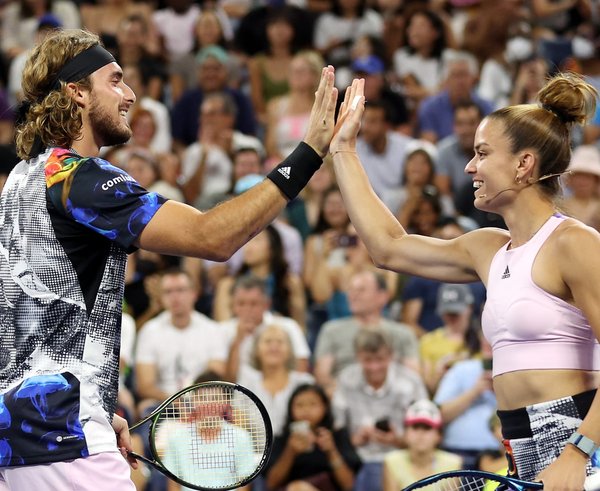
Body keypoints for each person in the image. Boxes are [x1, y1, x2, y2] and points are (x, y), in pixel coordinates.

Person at [0, 28, 337, 489]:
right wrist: (309, 153)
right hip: (62, 431)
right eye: (114, 80)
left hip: (17, 433)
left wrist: (99, 406)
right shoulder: (78, 177)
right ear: (76, 92)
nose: (130, 94)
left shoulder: (21, 179)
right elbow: (212, 237)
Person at [330, 74, 600, 488]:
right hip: (519, 444)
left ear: (524, 164)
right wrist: (344, 150)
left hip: (579, 442)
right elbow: (388, 248)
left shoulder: (575, 244)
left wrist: (578, 451)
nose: (470, 166)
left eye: (482, 152)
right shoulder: (486, 248)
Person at [332, 329, 427, 491]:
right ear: (357, 356)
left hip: (402, 456)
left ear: (391, 355)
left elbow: (425, 429)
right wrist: (354, 440)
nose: (374, 367)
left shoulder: (410, 381)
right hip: (356, 458)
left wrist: (397, 440)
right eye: (368, 360)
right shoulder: (345, 380)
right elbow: (337, 427)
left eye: (380, 359)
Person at [264, 383, 362, 491]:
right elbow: (271, 484)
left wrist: (331, 451)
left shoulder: (338, 435)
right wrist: (290, 452)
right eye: (299, 405)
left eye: (313, 404)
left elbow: (348, 485)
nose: (306, 410)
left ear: (325, 407)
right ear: (290, 410)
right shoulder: (283, 438)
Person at [382, 399, 462, 490]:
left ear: (439, 435)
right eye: (415, 427)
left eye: (427, 428)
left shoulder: (453, 463)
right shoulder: (391, 461)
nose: (420, 434)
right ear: (405, 433)